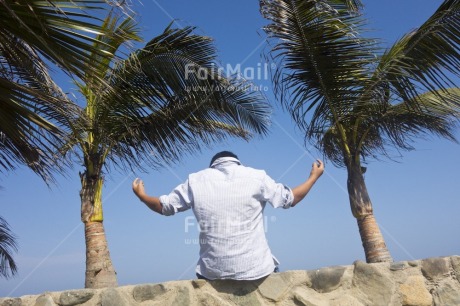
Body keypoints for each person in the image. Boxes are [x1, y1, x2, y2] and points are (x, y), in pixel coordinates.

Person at [132, 151, 324, 281]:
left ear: (212, 166)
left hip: (212, 273)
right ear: (237, 162)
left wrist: (142, 196)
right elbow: (290, 199)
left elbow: (164, 207)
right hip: (257, 271)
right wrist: (313, 177)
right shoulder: (256, 176)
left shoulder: (195, 180)